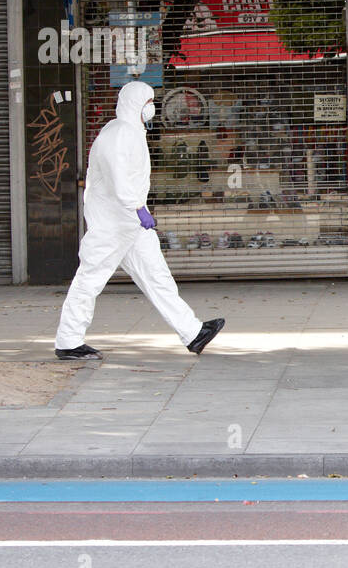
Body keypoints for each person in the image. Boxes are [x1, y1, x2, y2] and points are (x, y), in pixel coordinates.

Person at [55, 81, 224, 359]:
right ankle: (68, 340)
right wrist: (138, 208)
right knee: (90, 279)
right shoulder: (120, 133)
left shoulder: (127, 131)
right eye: (148, 102)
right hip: (113, 224)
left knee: (158, 277)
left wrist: (137, 212)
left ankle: (193, 333)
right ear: (137, 104)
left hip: (129, 224)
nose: (152, 108)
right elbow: (119, 177)